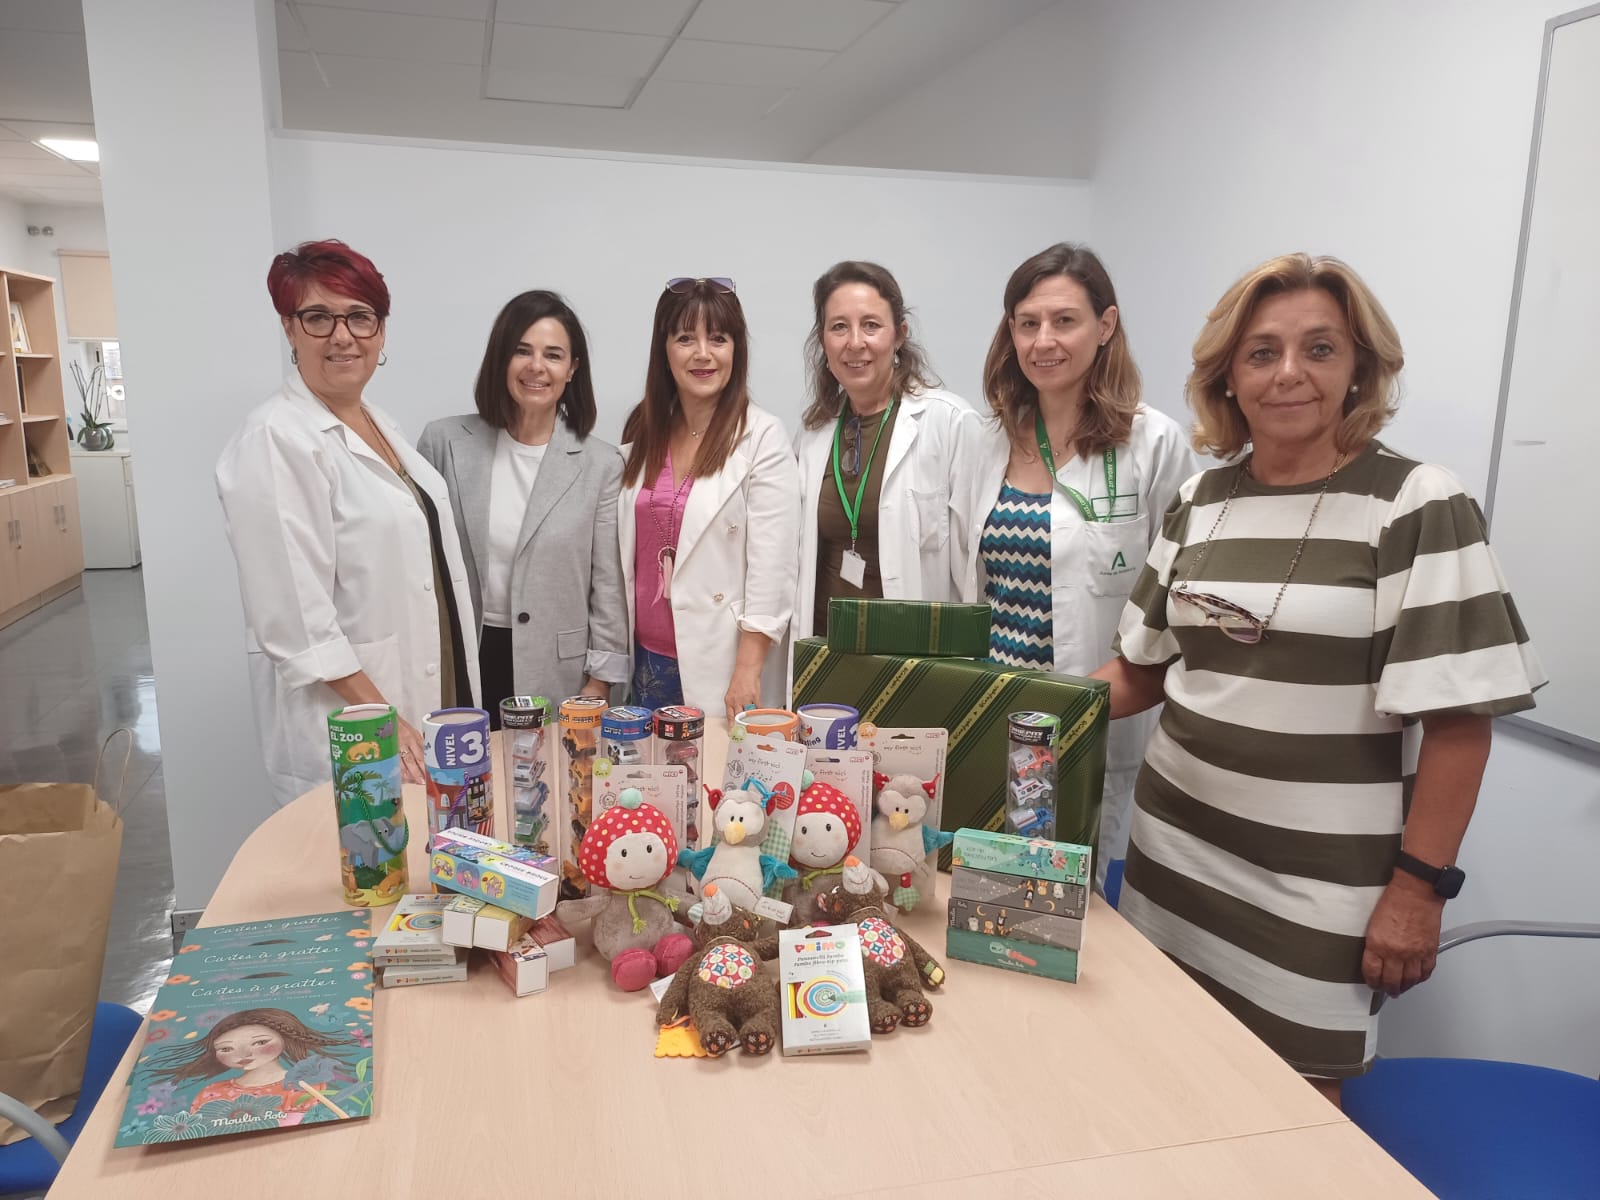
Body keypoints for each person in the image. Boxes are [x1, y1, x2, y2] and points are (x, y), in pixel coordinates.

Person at [1093, 252, 1544, 1101]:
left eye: (1319, 349)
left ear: (1359, 367)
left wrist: (1419, 891)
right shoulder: (1203, 500)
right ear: (1228, 374)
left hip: (1318, 890)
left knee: (1295, 1118)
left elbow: (1460, 721)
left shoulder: (1415, 503)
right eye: (1262, 352)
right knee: (1163, 1082)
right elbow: (1140, 671)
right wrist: (1010, 710)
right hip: (1173, 857)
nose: (1288, 374)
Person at [959, 243, 1194, 885]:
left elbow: (1177, 595)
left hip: (1092, 718)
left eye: (1065, 321)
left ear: (1106, 326)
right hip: (994, 712)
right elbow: (973, 589)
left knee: (1071, 901)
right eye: (1028, 322)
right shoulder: (987, 441)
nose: (1044, 341)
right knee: (991, 892)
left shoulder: (1151, 442)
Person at [217, 239, 479, 806]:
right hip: (358, 722)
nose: (343, 335)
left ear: (381, 331)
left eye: (360, 317)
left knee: (428, 872)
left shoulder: (378, 422)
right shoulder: (275, 439)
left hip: (424, 695)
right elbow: (296, 622)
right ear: (289, 329)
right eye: (318, 317)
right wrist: (386, 719)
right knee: (370, 877)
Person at [418, 291, 628, 725]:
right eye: (522, 351)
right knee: (466, 787)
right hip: (464, 657)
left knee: (547, 786)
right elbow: (421, 568)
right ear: (500, 358)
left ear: (572, 370)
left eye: (553, 355)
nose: (537, 367)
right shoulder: (444, 443)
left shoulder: (601, 463)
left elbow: (608, 582)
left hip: (559, 670)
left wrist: (600, 681)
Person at [618, 277, 800, 720]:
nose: (703, 353)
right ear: (664, 349)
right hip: (643, 660)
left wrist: (747, 670)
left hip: (722, 662)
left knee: (715, 785)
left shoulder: (761, 436)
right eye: (685, 338)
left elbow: (772, 566)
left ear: (736, 349)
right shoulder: (642, 429)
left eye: (718, 338)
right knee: (646, 786)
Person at [792, 261, 982, 638]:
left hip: (914, 655)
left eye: (871, 325)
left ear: (899, 335)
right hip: (825, 651)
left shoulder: (950, 423)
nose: (855, 343)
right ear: (823, 340)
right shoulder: (812, 435)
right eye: (839, 327)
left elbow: (976, 566)